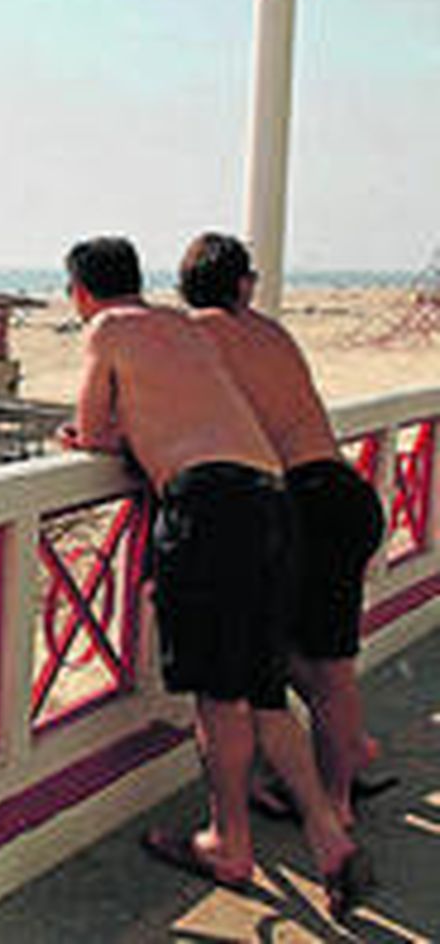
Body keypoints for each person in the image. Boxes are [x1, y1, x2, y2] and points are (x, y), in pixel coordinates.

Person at [58, 236, 369, 919]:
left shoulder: (106, 328)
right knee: (261, 686)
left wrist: (84, 438)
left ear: (80, 292)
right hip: (273, 503)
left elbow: (93, 432)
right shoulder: (179, 323)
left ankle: (228, 844)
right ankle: (327, 833)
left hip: (209, 508)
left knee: (218, 697)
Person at [179, 232, 391, 826]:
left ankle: (334, 795)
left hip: (304, 502)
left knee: (301, 662)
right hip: (346, 492)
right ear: (244, 284)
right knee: (332, 661)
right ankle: (342, 771)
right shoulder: (271, 331)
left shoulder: (199, 334)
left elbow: (172, 408)